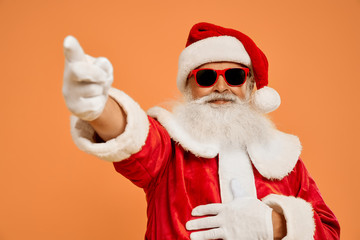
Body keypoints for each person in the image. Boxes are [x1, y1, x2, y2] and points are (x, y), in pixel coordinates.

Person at [62, 22, 340, 239]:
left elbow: (329, 231)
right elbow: (133, 137)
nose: (221, 87)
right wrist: (97, 106)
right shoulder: (169, 147)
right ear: (189, 88)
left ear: (251, 86)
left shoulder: (284, 158)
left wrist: (275, 224)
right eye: (206, 77)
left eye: (234, 76)